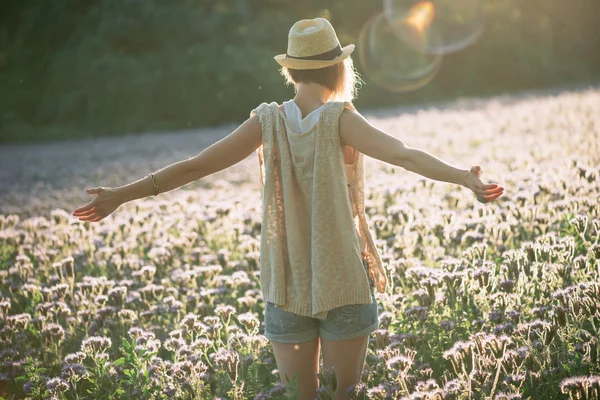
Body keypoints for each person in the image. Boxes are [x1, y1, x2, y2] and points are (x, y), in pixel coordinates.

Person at [72, 17, 504, 400]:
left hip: (286, 286)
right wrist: (464, 177)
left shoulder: (267, 121)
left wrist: (120, 195)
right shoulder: (341, 119)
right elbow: (405, 154)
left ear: (290, 70)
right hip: (344, 282)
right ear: (338, 67)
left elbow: (196, 166)